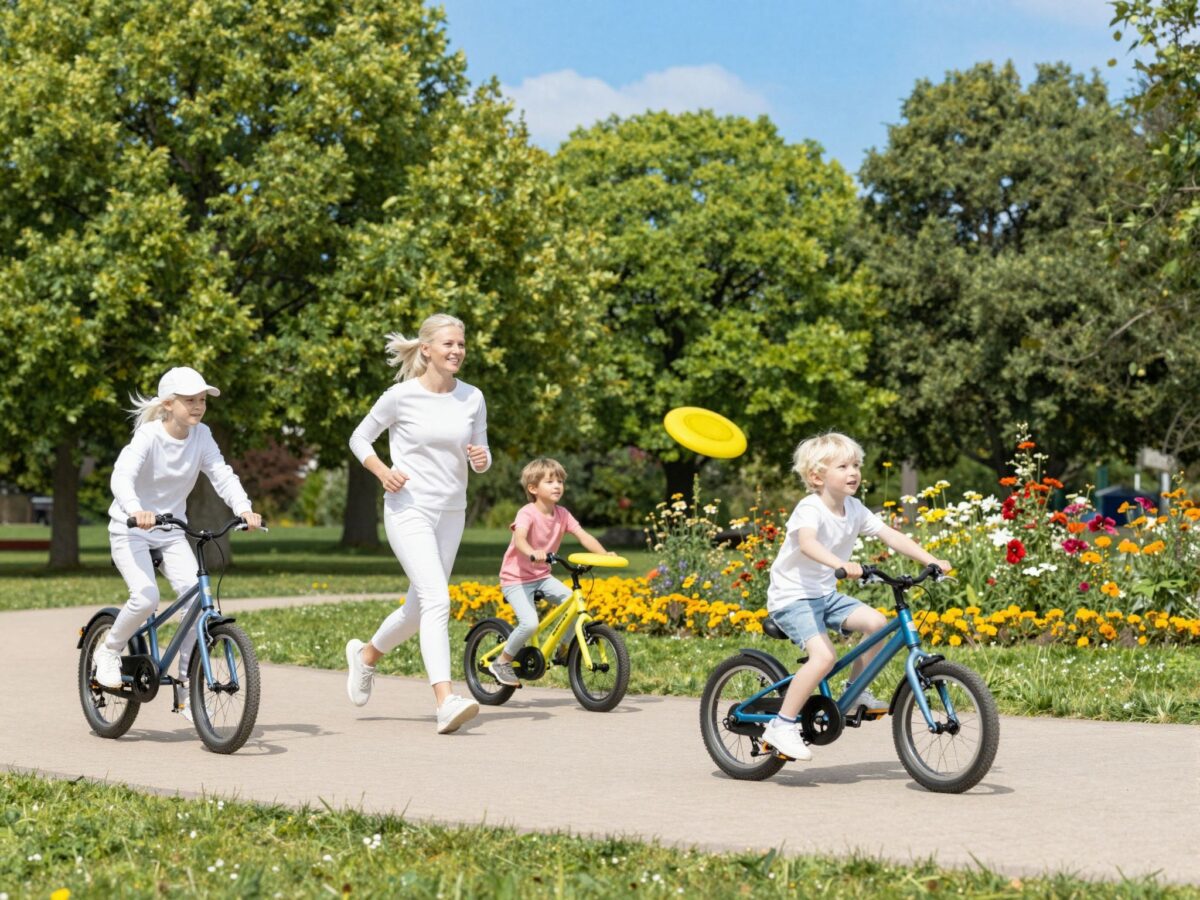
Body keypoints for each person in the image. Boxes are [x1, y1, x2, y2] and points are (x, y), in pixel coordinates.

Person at [759, 432, 952, 762]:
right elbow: (807, 543)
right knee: (823, 658)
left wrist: (929, 559)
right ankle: (781, 725)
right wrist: (841, 564)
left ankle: (855, 690)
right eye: (843, 466)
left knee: (876, 623)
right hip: (793, 597)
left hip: (825, 594)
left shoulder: (855, 508)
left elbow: (890, 534)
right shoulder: (810, 508)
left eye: (856, 464)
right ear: (817, 476)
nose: (854, 472)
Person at [344, 313, 490, 734]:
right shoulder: (400, 396)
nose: (457, 351)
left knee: (416, 608)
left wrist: (482, 460)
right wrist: (382, 470)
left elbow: (481, 452)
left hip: (451, 511)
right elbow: (359, 438)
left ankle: (366, 657)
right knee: (437, 599)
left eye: (461, 344)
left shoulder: (473, 397)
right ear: (426, 349)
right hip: (408, 508)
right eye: (449, 344)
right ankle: (445, 701)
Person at [93, 367, 262, 724]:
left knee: (199, 607)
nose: (198, 407)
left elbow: (221, 473)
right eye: (190, 401)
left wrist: (244, 508)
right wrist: (136, 510)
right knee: (145, 597)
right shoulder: (149, 437)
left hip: (170, 531)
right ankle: (108, 651)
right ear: (168, 405)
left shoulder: (202, 436)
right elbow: (121, 476)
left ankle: (187, 684)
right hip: (131, 528)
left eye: (202, 400)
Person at [489, 458, 615, 687]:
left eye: (560, 481)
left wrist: (605, 554)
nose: (557, 485)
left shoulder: (562, 514)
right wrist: (532, 552)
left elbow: (583, 535)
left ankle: (564, 648)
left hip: (542, 577)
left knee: (574, 605)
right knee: (529, 624)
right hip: (515, 579)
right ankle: (502, 661)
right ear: (533, 489)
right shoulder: (527, 513)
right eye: (550, 481)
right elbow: (520, 539)